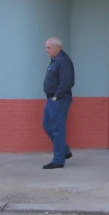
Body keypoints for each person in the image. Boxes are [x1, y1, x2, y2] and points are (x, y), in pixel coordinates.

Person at [42, 37, 75, 169]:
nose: (46, 50)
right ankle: (64, 151)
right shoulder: (55, 60)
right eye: (46, 48)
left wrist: (57, 96)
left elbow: (67, 82)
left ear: (57, 47)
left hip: (59, 100)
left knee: (57, 129)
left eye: (49, 48)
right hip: (51, 99)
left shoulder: (63, 61)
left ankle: (58, 159)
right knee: (46, 125)